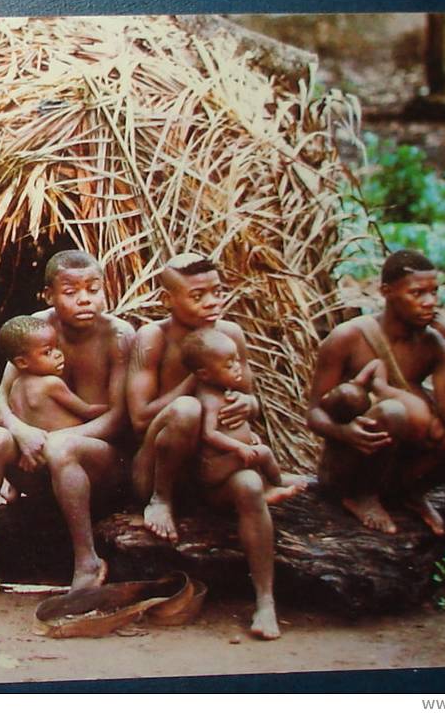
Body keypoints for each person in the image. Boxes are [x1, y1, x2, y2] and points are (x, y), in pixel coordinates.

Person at [0, 250, 135, 599]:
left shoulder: (118, 335)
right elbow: (0, 403)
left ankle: (86, 560)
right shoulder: (37, 328)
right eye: (70, 291)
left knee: (61, 447)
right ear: (49, 295)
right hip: (39, 461)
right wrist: (22, 432)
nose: (84, 299)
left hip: (102, 464)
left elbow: (119, 417)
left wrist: (54, 440)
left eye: (93, 289)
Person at [127, 253, 285, 639]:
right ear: (168, 300)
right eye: (199, 296)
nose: (213, 303)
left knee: (249, 487)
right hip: (161, 465)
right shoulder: (153, 338)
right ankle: (161, 501)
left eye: (217, 292)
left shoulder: (229, 335)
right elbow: (138, 418)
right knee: (186, 410)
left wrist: (252, 403)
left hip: (214, 467)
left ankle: (265, 602)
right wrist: (194, 384)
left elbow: (248, 399)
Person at [306, 249, 445, 536]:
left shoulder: (433, 345)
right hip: (350, 467)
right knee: (393, 411)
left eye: (434, 292)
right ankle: (361, 496)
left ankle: (411, 493)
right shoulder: (348, 337)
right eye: (417, 293)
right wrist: (345, 432)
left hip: (401, 467)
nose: (429, 302)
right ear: (386, 292)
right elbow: (313, 413)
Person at [181, 327, 303, 505]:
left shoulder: (223, 391)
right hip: (214, 467)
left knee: (256, 450)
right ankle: (274, 483)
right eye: (229, 365)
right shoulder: (209, 399)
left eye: (237, 360)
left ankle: (268, 484)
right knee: (263, 452)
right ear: (204, 374)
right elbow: (209, 434)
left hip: (226, 460)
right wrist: (239, 447)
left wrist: (247, 436)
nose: (238, 367)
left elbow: (230, 425)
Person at [0, 315, 110, 430]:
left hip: (38, 439)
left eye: (57, 347)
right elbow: (88, 411)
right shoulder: (51, 383)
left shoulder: (15, 387)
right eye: (47, 352)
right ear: (22, 362)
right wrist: (113, 409)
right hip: (68, 439)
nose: (58, 354)